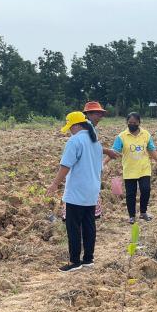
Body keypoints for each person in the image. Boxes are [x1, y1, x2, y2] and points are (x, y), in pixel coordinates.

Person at [46, 111, 103, 272]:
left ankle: (74, 261)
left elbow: (66, 165)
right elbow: (100, 168)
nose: (69, 131)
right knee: (89, 224)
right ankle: (88, 259)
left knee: (73, 226)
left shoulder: (75, 141)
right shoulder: (95, 142)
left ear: (77, 125)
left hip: (76, 191)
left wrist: (55, 184)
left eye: (70, 127)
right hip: (92, 189)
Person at [61, 101, 117, 221]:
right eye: (97, 114)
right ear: (88, 115)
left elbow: (90, 150)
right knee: (87, 222)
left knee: (78, 223)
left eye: (100, 114)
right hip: (88, 186)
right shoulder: (86, 131)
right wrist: (107, 152)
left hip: (82, 186)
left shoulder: (85, 133)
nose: (99, 117)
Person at [105, 112, 157, 224]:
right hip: (129, 169)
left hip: (144, 168)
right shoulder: (121, 136)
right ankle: (131, 216)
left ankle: (143, 212)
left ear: (139, 123)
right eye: (130, 122)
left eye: (134, 123)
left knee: (146, 189)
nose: (132, 124)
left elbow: (151, 149)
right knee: (131, 194)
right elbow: (114, 151)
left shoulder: (146, 134)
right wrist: (104, 162)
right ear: (127, 123)